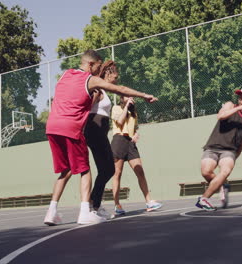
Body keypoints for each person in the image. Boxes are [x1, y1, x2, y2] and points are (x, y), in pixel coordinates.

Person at [43, 50, 158, 226]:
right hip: (76, 127)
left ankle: (53, 212)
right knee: (86, 170)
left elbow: (60, 98)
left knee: (67, 171)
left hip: (53, 126)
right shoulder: (93, 83)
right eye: (97, 65)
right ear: (91, 64)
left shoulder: (65, 75)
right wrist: (144, 95)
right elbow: (119, 90)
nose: (98, 68)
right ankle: (87, 209)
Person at [196, 86, 242, 211]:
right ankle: (223, 186)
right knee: (206, 171)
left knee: (225, 171)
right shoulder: (230, 105)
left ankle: (204, 199)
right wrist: (238, 108)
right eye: (240, 97)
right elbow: (220, 116)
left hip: (229, 151)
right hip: (212, 147)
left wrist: (235, 157)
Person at [110, 95, 162, 216]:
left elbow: (135, 127)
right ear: (122, 99)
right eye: (127, 96)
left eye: (131, 96)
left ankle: (149, 202)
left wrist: (136, 134)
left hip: (130, 143)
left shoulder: (134, 113)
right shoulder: (116, 108)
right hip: (119, 140)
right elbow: (120, 121)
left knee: (140, 171)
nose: (130, 98)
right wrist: (127, 106)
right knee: (117, 174)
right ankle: (117, 205)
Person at [83, 60, 118, 220]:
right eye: (115, 74)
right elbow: (87, 107)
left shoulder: (103, 89)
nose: (117, 78)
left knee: (105, 170)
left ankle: (94, 204)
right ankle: (93, 204)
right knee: (109, 169)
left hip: (99, 133)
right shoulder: (98, 90)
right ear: (108, 73)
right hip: (94, 132)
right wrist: (92, 126)